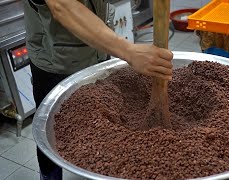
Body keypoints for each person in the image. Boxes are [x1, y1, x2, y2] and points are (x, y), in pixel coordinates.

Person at [22, 0, 173, 179]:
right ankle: (49, 176)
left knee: (100, 136)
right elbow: (62, 6)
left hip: (99, 51)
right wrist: (129, 51)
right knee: (53, 139)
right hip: (56, 64)